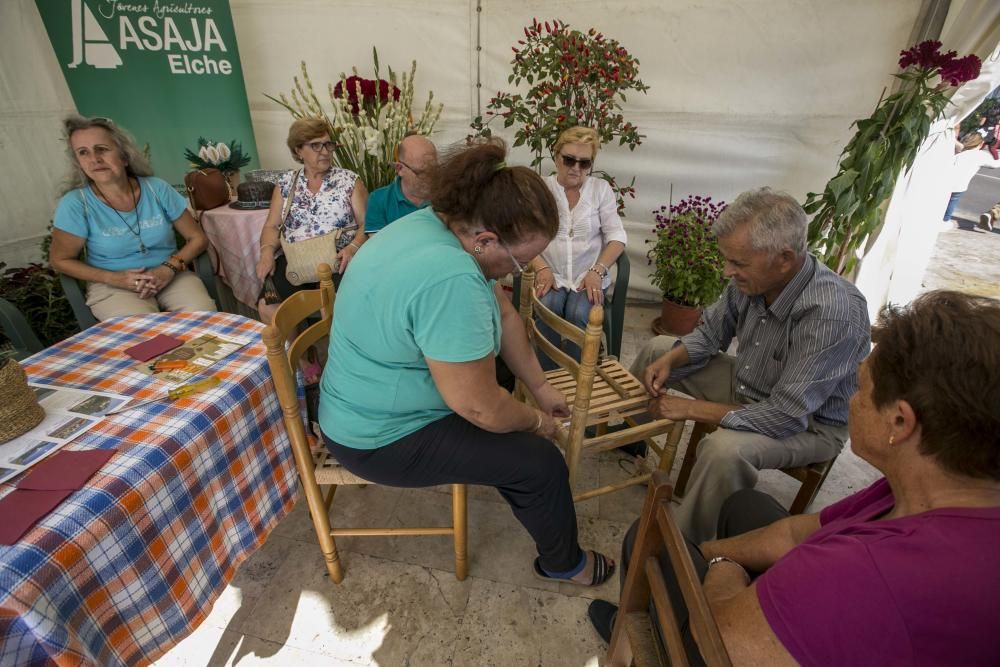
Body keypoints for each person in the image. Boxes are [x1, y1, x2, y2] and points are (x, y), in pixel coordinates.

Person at [590, 290, 1000, 666]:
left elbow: (717, 634)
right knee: (744, 507)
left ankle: (639, 642)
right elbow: (796, 534)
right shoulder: (927, 490)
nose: (852, 402)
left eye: (860, 389)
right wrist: (709, 549)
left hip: (726, 642)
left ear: (900, 420)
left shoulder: (871, 571)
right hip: (833, 590)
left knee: (647, 545)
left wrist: (719, 564)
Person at [318, 138, 615, 586]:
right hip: (374, 437)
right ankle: (566, 564)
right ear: (486, 239)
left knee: (501, 396)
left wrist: (539, 387)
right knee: (539, 463)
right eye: (519, 261)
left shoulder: (434, 223)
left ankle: (540, 518)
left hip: (357, 401)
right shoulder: (453, 278)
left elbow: (508, 314)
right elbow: (480, 409)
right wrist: (538, 423)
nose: (517, 272)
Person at [631, 187, 870, 544]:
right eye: (727, 259)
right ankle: (630, 438)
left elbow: (787, 414)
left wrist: (692, 409)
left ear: (784, 259)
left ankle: (684, 548)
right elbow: (710, 334)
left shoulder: (832, 313)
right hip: (750, 385)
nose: (728, 271)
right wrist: (671, 359)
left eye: (738, 263)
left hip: (809, 425)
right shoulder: (754, 278)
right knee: (657, 349)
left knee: (723, 451)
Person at [49, 115, 216, 320]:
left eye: (102, 149)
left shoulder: (156, 188)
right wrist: (114, 278)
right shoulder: (76, 203)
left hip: (169, 275)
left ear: (124, 156)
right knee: (140, 334)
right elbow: (60, 260)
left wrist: (169, 268)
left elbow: (197, 239)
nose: (95, 159)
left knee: (204, 317)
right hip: (113, 285)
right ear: (79, 163)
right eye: (83, 153)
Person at [530, 126, 626, 367]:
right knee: (547, 307)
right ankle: (548, 375)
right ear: (556, 156)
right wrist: (541, 267)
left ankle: (576, 378)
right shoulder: (542, 188)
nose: (576, 168)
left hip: (588, 275)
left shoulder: (600, 189)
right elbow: (526, 236)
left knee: (580, 313)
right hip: (551, 272)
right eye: (569, 159)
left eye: (584, 163)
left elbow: (616, 236)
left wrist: (598, 270)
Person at [255, 117, 368, 317]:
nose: (325, 151)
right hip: (296, 260)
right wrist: (266, 252)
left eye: (328, 144)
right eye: (316, 145)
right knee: (268, 305)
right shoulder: (285, 183)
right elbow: (272, 226)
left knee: (334, 306)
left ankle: (333, 347)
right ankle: (293, 349)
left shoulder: (349, 181)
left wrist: (353, 248)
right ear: (298, 150)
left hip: (338, 262)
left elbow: (367, 224)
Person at [364, 134, 437, 234]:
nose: (430, 178)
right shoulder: (379, 200)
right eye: (421, 173)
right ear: (399, 168)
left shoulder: (448, 195)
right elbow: (379, 246)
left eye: (434, 170)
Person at [943, 133, 1000, 224]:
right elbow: (995, 165)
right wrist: (995, 151)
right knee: (952, 202)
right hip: (959, 186)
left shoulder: (959, 152)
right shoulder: (980, 155)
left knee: (942, 200)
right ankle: (945, 220)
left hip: (945, 182)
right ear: (981, 144)